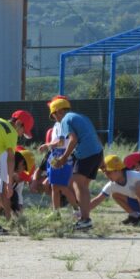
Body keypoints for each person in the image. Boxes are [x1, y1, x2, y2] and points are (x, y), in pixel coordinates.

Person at [46, 96, 104, 230]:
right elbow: (95, 137)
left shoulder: (66, 119)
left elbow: (72, 140)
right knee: (82, 186)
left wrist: (63, 158)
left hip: (86, 154)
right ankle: (84, 217)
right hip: (96, 152)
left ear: (58, 112)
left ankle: (85, 219)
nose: (56, 120)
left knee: (77, 184)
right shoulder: (80, 117)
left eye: (54, 116)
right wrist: (102, 159)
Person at [87, 155, 140, 226]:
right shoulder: (111, 185)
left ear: (118, 169)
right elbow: (97, 200)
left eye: (109, 172)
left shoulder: (135, 175)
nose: (106, 176)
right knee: (115, 194)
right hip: (139, 205)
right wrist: (82, 212)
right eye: (105, 173)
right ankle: (134, 216)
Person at [38, 102, 79, 213]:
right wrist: (50, 146)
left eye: (63, 111)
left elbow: (61, 142)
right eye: (57, 113)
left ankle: (76, 209)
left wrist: (47, 146)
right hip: (55, 156)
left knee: (62, 187)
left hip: (62, 156)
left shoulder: (65, 124)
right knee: (54, 187)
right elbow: (58, 141)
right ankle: (56, 212)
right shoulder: (57, 125)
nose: (60, 115)